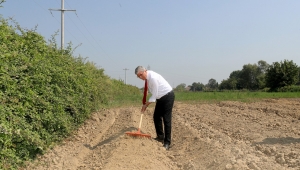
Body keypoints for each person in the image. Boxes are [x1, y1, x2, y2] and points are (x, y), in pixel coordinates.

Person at [135, 66, 175, 150]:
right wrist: (144, 101)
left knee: (166, 119)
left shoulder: (153, 78)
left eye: (141, 75)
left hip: (167, 96)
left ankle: (167, 142)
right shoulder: (147, 78)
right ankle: (160, 137)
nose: (140, 77)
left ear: (145, 71)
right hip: (160, 98)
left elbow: (154, 96)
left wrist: (146, 105)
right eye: (138, 76)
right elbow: (148, 91)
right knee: (156, 117)